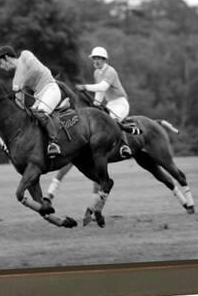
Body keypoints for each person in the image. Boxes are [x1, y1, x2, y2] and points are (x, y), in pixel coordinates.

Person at [47, 46, 133, 198]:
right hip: (109, 104)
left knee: (112, 123)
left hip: (120, 103)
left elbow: (103, 86)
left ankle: (124, 146)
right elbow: (100, 92)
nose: (96, 61)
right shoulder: (97, 72)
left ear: (104, 60)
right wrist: (96, 103)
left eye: (99, 59)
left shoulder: (110, 71)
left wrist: (85, 87)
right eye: (94, 58)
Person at [0, 45, 62, 157]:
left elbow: (35, 69)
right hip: (39, 97)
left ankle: (54, 144)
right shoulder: (15, 79)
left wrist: (21, 85)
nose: (1, 67)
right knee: (29, 119)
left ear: (6, 57)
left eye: (1, 63)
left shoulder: (25, 55)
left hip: (51, 89)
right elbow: (20, 102)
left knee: (40, 113)